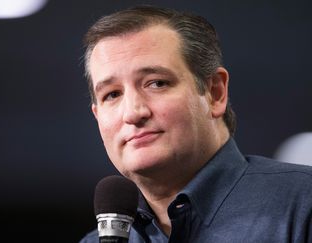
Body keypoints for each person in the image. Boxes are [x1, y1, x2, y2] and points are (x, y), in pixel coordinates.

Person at [79, 5, 312, 243]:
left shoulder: (305, 204)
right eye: (112, 94)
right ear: (97, 115)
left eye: (157, 83)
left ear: (215, 93)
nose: (132, 113)